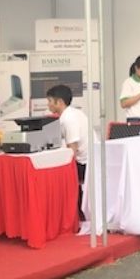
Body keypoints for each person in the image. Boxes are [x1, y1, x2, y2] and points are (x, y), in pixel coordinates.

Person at [46, 84, 89, 221]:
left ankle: (71, 214)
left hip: (85, 164)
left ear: (59, 102)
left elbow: (72, 149)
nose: (48, 104)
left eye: (50, 101)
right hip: (89, 159)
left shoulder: (68, 119)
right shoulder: (74, 112)